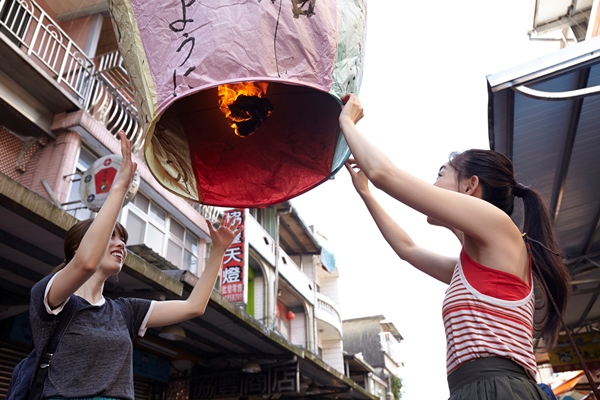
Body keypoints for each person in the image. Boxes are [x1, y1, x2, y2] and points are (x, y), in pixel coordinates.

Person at [338, 94, 570, 399]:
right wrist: (366, 193)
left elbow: (386, 174)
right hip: (477, 390)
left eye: (441, 173)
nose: (432, 186)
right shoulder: (471, 265)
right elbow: (406, 249)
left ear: (470, 185)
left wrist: (346, 122)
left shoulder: (497, 225)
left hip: (497, 389)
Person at [29, 131, 241, 400]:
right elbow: (85, 263)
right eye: (111, 236)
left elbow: (193, 306)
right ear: (76, 247)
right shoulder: (51, 297)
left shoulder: (125, 311)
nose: (121, 245)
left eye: (123, 240)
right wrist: (120, 187)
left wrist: (218, 251)